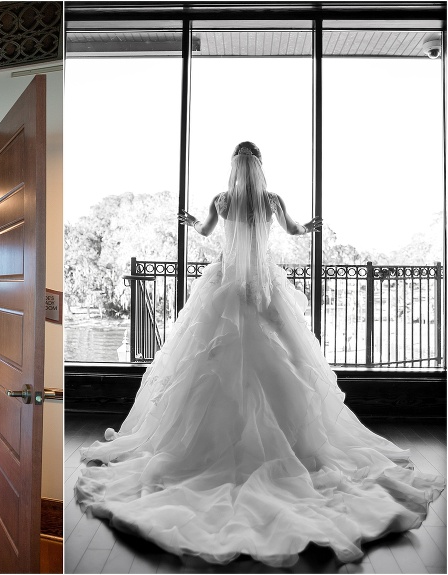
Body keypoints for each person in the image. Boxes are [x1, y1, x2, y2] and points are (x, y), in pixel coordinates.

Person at [74, 141, 444, 567]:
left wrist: (193, 220)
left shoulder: (222, 200)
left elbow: (205, 233)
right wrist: (310, 226)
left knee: (207, 364)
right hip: (263, 287)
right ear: (260, 167)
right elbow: (292, 230)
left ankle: (207, 449)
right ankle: (289, 449)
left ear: (234, 167)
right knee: (284, 363)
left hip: (227, 283)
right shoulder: (271, 200)